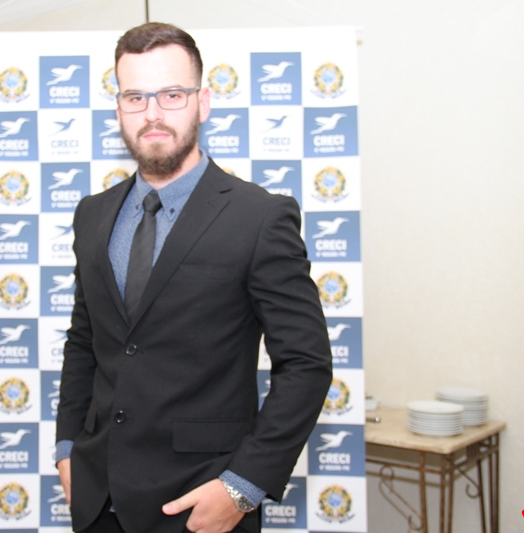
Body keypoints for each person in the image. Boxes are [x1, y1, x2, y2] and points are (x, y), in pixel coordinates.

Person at [55, 22, 332, 533]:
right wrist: (67, 447)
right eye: (136, 97)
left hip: (203, 501)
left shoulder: (259, 217)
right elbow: (84, 341)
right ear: (119, 109)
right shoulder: (92, 215)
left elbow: (306, 364)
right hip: (97, 498)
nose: (153, 113)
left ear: (202, 102)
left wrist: (243, 487)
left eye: (171, 94)